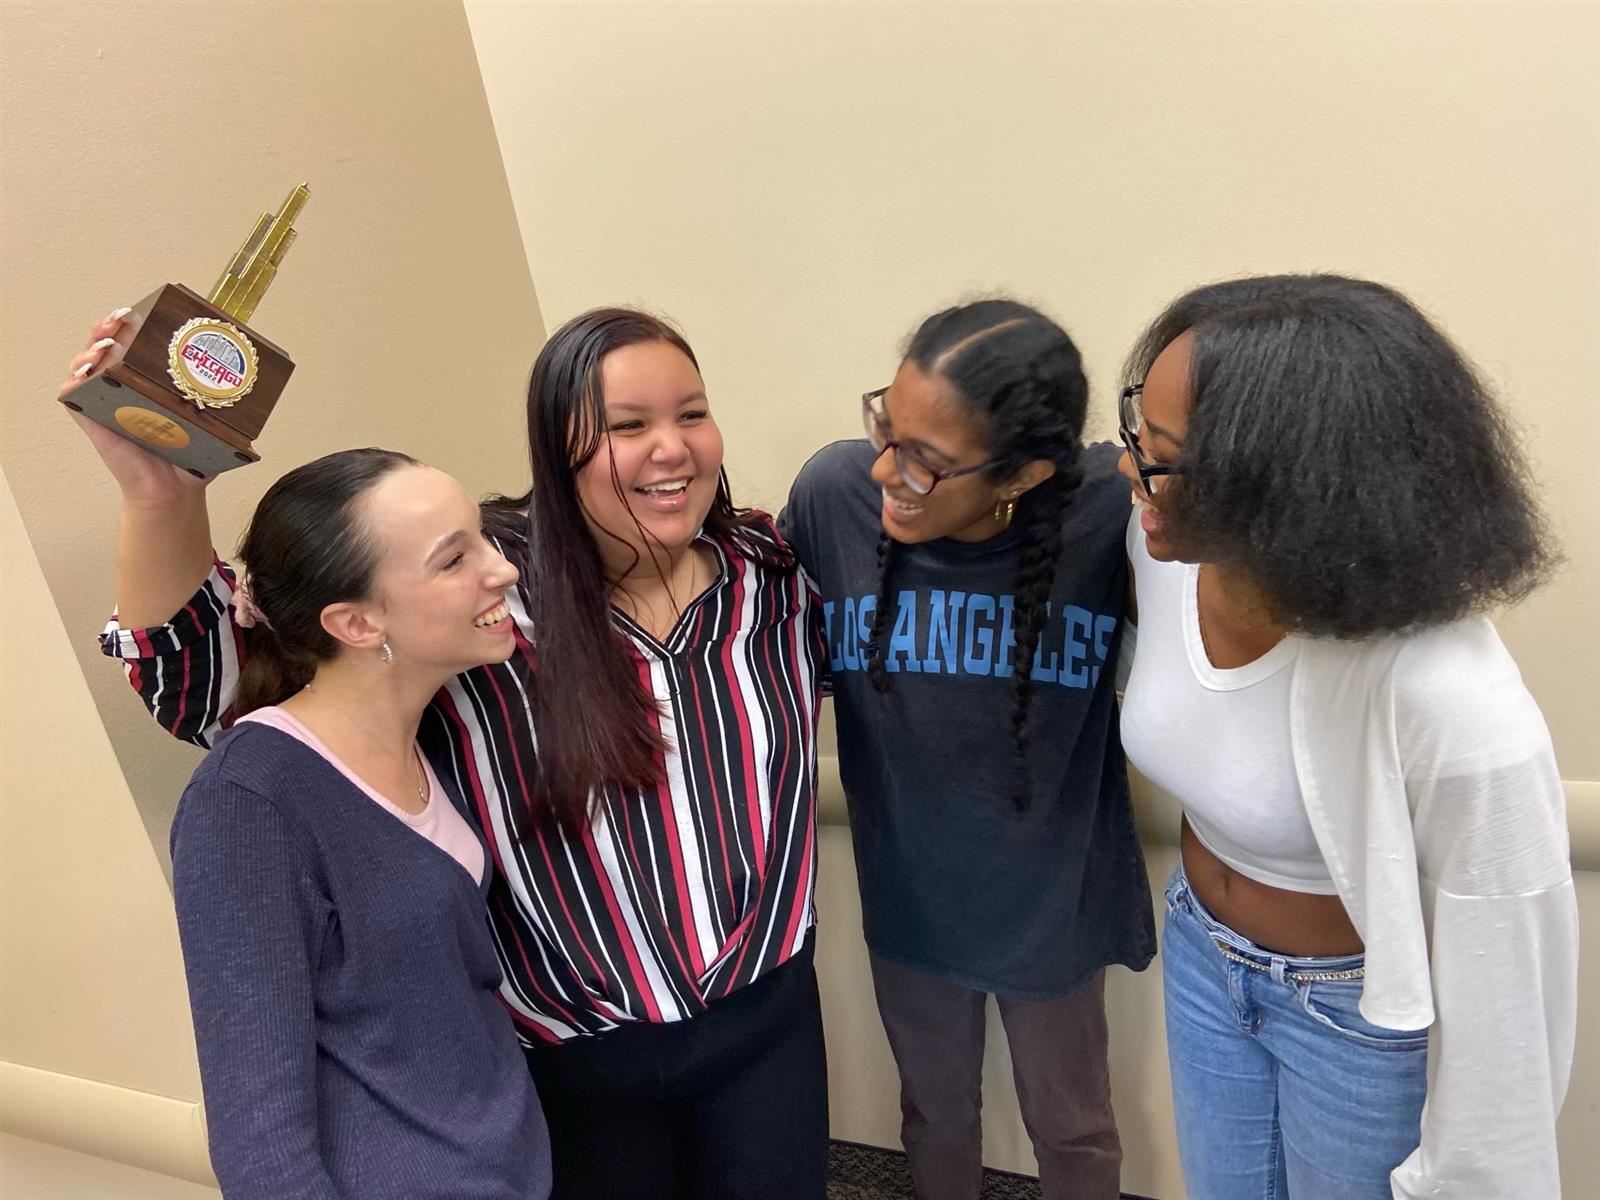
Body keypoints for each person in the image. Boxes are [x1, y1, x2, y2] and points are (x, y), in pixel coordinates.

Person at [69, 305, 826, 1200]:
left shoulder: (770, 574)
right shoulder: (491, 596)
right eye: (627, 426)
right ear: (558, 447)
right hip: (575, 1061)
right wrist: (162, 494)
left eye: (691, 414)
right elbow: (208, 686)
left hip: (768, 1020)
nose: (671, 448)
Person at [1115, 274, 1577, 1199]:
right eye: (1140, 437)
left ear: (1295, 489)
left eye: (1164, 458)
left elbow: (1508, 1034)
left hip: (1354, 1015)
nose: (1132, 473)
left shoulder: (1449, 695)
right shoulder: (1162, 548)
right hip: (1202, 956)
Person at [782, 299, 1154, 1200]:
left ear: (1023, 472)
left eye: (927, 460)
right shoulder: (836, 496)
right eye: (887, 428)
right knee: (934, 1113)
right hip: (910, 897)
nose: (886, 469)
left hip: (1052, 903)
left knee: (1073, 1127)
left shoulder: (1108, 510)